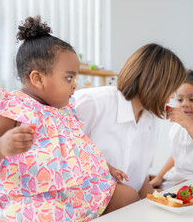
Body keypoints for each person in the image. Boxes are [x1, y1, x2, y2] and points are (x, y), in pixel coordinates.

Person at [0, 16, 138, 222]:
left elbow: (80, 150)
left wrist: (106, 167)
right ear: (38, 78)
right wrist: (0, 146)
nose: (74, 85)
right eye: (69, 77)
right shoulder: (10, 106)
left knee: (128, 195)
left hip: (67, 192)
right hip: (28, 197)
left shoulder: (62, 112)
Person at [73, 43, 187, 199]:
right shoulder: (92, 102)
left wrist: (170, 199)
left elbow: (140, 181)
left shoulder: (151, 122)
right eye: (172, 89)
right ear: (156, 83)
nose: (173, 96)